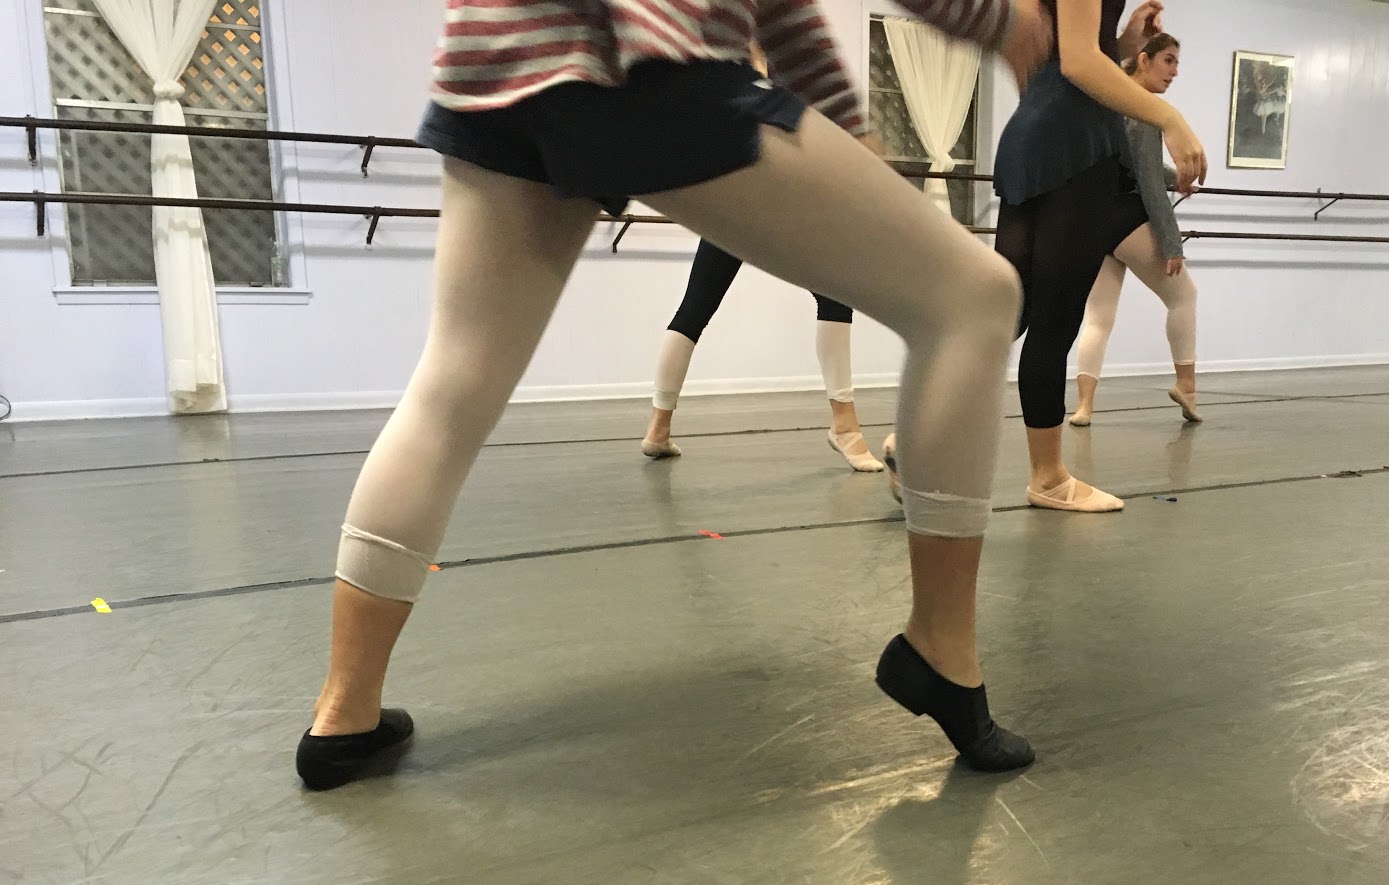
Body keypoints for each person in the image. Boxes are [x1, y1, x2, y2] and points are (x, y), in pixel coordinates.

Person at [294, 0, 1057, 791]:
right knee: (978, 299)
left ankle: (344, 713)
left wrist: (844, 126)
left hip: (499, 59)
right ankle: (940, 650)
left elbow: (783, 12)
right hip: (644, 65)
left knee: (452, 386)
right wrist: (996, 20)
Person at [990, 0, 1206, 513]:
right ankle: (1048, 477)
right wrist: (1170, 118)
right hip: (1077, 146)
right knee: (1052, 323)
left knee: (1003, 316)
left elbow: (1044, 54)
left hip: (1032, 135)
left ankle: (915, 442)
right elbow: (1079, 62)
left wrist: (1124, 42)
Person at [643, 43, 884, 472]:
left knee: (696, 310)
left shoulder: (759, 73)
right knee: (701, 309)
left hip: (743, 207)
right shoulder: (733, 77)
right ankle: (844, 428)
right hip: (753, 207)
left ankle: (658, 428)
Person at [1070, 32, 1201, 427]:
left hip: (1095, 221)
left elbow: (1137, 164)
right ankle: (1187, 385)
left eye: (1177, 63)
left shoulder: (1110, 98)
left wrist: (1176, 178)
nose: (1174, 72)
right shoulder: (1145, 110)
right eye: (1168, 61)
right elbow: (1146, 183)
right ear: (1144, 60)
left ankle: (1084, 407)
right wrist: (1172, 242)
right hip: (1127, 219)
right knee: (1184, 296)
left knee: (1099, 316)